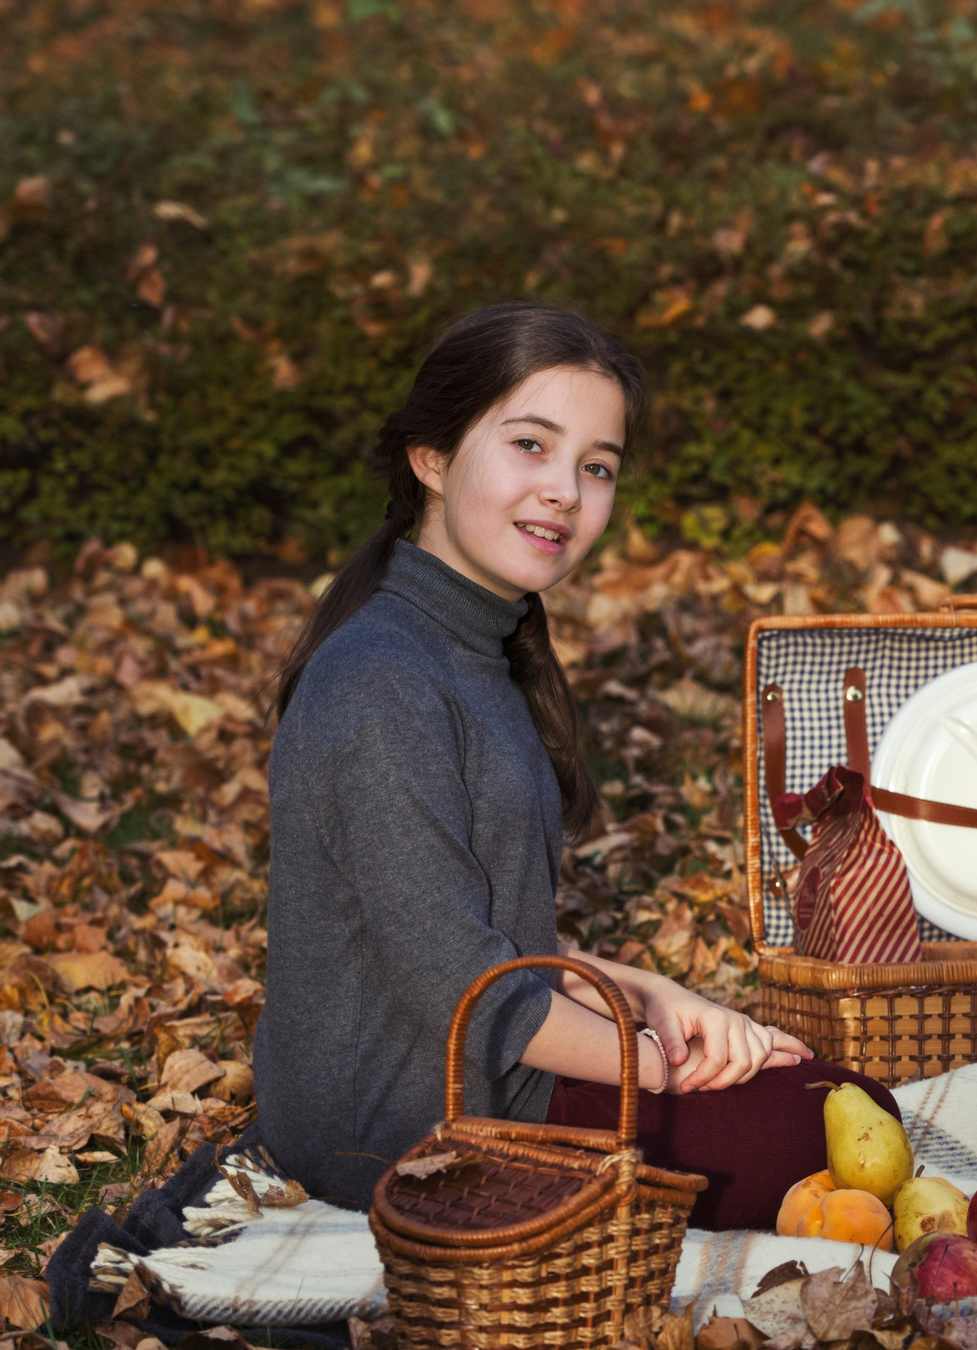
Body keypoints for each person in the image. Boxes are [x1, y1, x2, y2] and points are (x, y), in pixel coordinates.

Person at [256, 301, 893, 1228]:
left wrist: (652, 994)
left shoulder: (476, 644)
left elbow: (477, 937)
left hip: (478, 1066)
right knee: (826, 1119)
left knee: (829, 1097)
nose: (564, 490)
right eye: (530, 445)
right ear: (430, 457)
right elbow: (466, 992)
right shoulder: (380, 680)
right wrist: (664, 1061)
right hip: (407, 1127)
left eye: (596, 467)